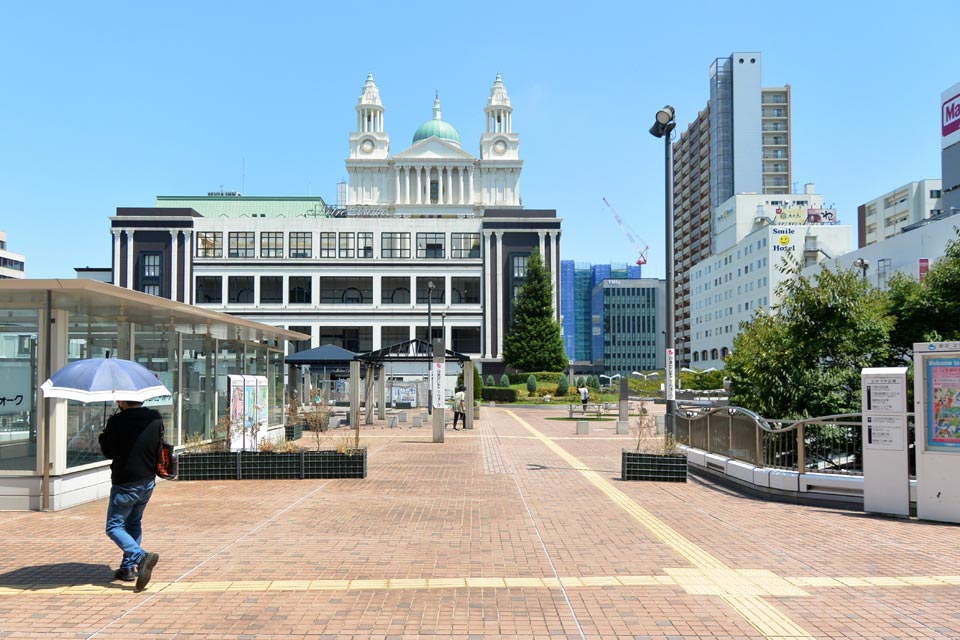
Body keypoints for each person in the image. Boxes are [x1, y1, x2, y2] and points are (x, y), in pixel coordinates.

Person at [98, 400, 162, 593]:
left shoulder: (117, 421)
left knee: (114, 527)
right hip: (148, 480)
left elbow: (109, 452)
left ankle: (140, 557)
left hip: (125, 482)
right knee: (134, 522)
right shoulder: (155, 418)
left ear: (122, 401)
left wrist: (103, 436)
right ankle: (127, 569)